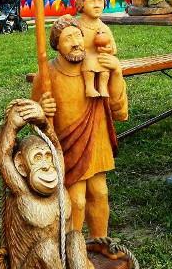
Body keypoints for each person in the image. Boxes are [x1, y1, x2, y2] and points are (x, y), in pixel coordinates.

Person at [32, 15, 128, 240]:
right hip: (69, 147)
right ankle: (73, 248)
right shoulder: (47, 75)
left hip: (97, 140)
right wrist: (41, 109)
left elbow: (119, 111)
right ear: (57, 45)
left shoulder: (97, 67)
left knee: (100, 193)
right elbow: (34, 119)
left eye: (78, 36)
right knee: (76, 200)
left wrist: (116, 73)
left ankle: (100, 242)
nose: (76, 43)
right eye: (68, 39)